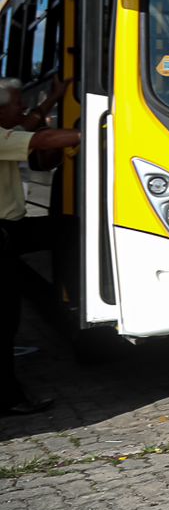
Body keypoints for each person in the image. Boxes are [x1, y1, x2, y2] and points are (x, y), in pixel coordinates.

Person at [1, 76, 79, 416]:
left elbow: (30, 124)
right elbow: (42, 137)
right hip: (2, 232)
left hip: (11, 228)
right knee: (4, 318)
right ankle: (9, 398)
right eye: (17, 103)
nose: (23, 108)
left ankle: (76, 297)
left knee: (66, 228)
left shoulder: (6, 131)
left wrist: (51, 100)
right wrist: (99, 128)